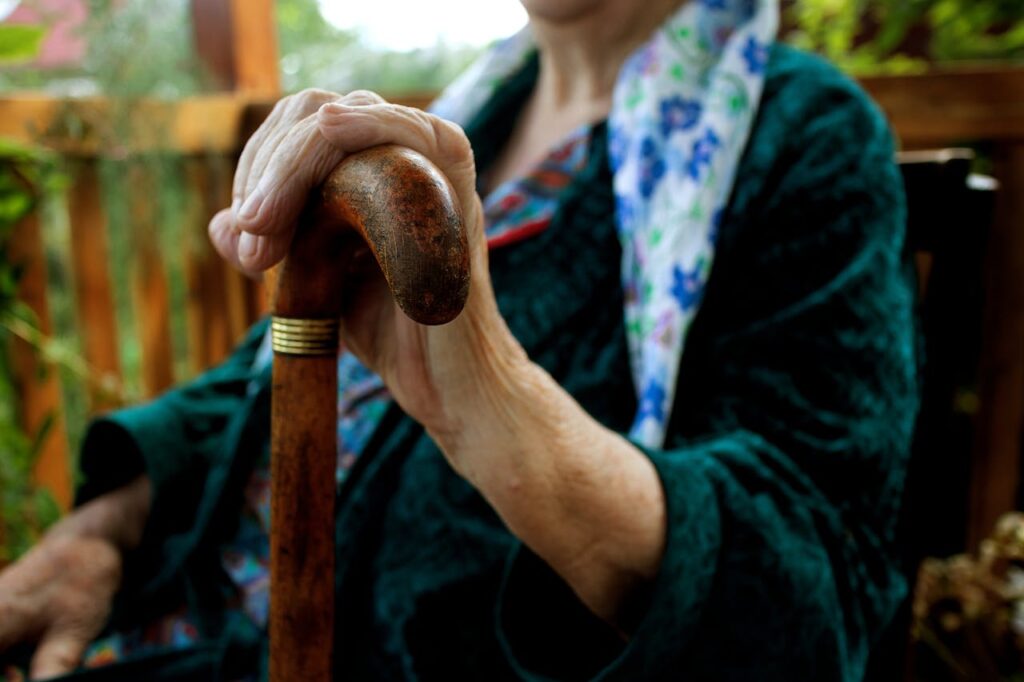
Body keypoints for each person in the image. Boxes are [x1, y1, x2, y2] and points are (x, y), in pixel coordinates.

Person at [0, 0, 918, 679]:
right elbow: (266, 373)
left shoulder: (800, 136)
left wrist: (495, 398)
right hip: (182, 608)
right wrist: (97, 532)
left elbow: (817, 592)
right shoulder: (476, 110)